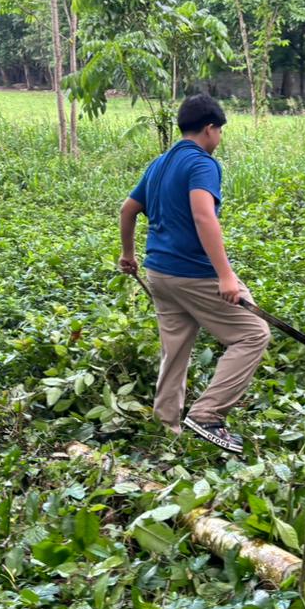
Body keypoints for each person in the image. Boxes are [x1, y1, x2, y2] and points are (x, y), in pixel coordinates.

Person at [119, 93, 269, 455]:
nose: (219, 139)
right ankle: (207, 414)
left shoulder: (159, 163)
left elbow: (127, 210)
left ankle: (166, 425)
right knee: (253, 334)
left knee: (176, 349)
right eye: (219, 132)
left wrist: (128, 254)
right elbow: (204, 216)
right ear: (209, 128)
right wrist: (226, 276)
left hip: (159, 274)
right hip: (192, 274)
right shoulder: (202, 163)